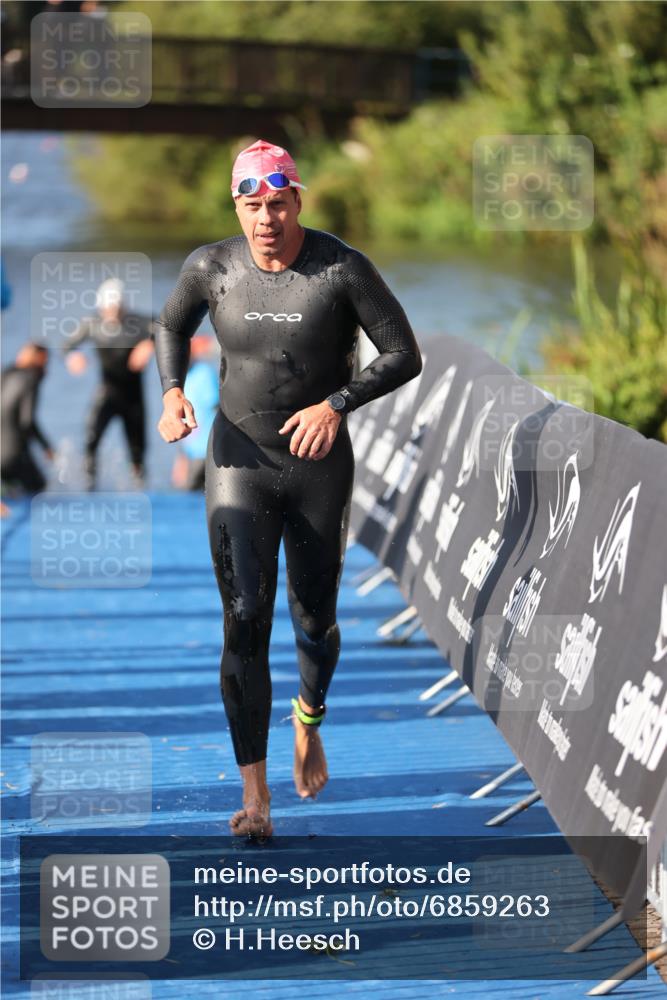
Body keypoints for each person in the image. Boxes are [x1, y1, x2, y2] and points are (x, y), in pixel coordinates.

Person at [154, 139, 422, 837]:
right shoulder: (210, 266)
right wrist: (174, 393)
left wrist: (335, 404)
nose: (266, 218)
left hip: (315, 468)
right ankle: (255, 797)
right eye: (252, 205)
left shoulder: (340, 268)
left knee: (312, 619)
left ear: (297, 199)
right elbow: (168, 325)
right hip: (237, 462)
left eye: (278, 202)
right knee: (244, 618)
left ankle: (309, 717)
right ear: (237, 207)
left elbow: (403, 354)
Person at [63, 278, 154, 490]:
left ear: (124, 305)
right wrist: (73, 356)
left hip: (133, 396)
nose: (112, 313)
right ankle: (89, 485)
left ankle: (140, 487)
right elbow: (67, 346)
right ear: (100, 306)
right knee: (90, 438)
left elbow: (169, 330)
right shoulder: (92, 324)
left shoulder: (140, 322)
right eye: (108, 308)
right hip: (106, 392)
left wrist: (149, 344)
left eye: (116, 308)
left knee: (137, 448)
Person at [1, 342, 53, 495]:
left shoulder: (6, 373)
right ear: (40, 359)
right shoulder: (31, 379)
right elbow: (27, 421)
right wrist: (46, 446)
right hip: (12, 456)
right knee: (38, 489)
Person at [170, 335, 219, 491]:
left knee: (195, 491)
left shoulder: (204, 373)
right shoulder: (179, 381)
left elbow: (217, 408)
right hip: (192, 451)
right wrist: (182, 457)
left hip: (208, 449)